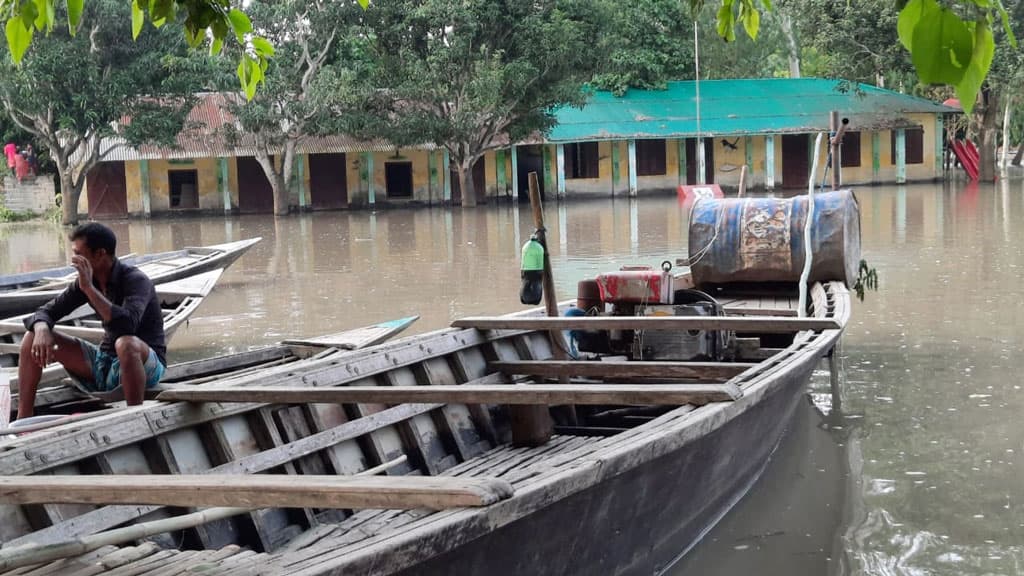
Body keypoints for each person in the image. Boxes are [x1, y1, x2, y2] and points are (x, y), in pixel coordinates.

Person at [17, 223, 167, 419]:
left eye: (79, 253)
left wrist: (89, 288)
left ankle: (135, 416)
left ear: (100, 254)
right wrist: (42, 328)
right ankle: (23, 419)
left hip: (146, 364)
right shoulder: (86, 281)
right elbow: (46, 311)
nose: (74, 260)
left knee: (126, 343)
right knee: (31, 337)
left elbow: (127, 326)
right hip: (105, 362)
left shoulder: (135, 280)